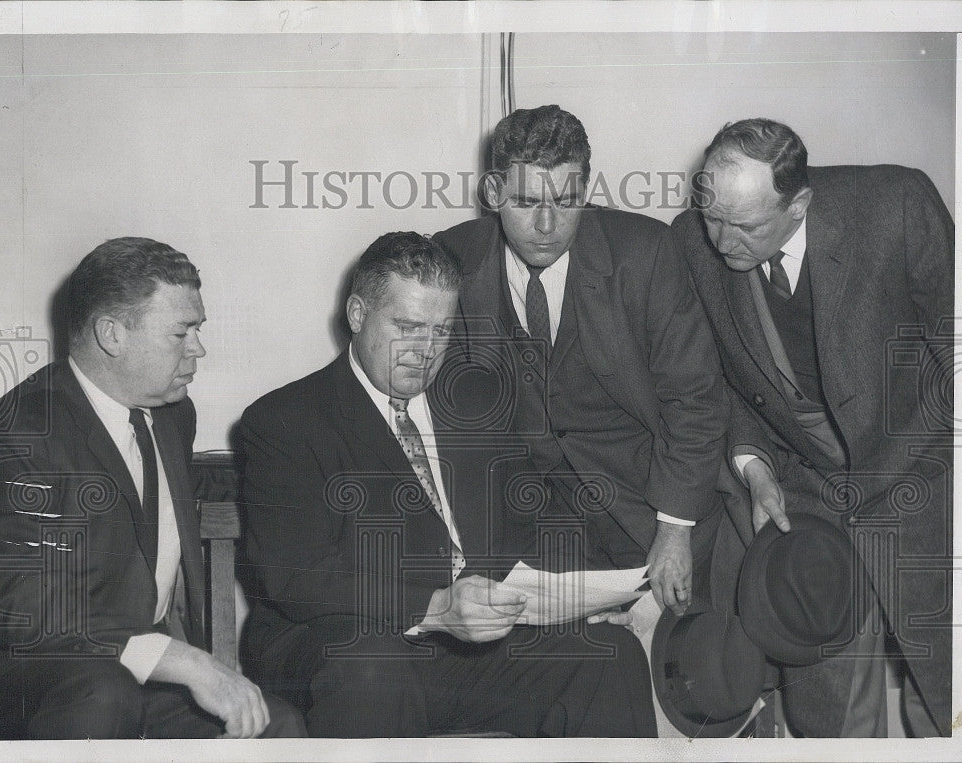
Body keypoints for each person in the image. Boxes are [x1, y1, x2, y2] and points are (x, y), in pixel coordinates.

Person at [239, 231, 657, 737]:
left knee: (609, 655)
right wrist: (437, 607)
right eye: (409, 327)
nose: (426, 351)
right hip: (344, 648)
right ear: (356, 314)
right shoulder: (284, 421)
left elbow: (532, 518)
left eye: (441, 331)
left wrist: (587, 596)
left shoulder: (477, 402)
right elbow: (296, 578)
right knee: (373, 664)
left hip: (466, 654)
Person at [671, 118, 954, 737]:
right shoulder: (694, 240)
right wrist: (755, 468)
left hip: (919, 468)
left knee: (941, 691)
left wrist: (911, 464)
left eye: (743, 226)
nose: (720, 242)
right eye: (711, 215)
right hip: (805, 492)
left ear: (798, 205)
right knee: (830, 706)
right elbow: (721, 380)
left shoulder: (898, 208)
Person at [0, 237, 304, 739]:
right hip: (41, 680)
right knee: (104, 693)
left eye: (198, 329)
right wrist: (186, 662)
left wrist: (184, 661)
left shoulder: (173, 415)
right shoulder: (23, 431)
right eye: (181, 333)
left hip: (139, 676)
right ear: (112, 335)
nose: (198, 347)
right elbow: (24, 606)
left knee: (277, 726)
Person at [433, 105, 729, 615]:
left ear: (586, 191)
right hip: (527, 526)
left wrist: (676, 529)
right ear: (492, 195)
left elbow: (696, 398)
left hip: (648, 505)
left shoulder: (646, 254)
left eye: (567, 201)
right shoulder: (452, 260)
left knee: (679, 667)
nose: (547, 225)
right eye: (525, 202)